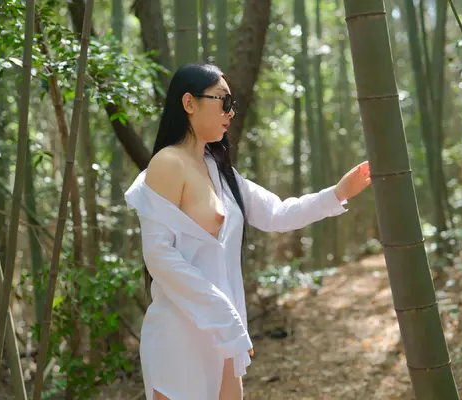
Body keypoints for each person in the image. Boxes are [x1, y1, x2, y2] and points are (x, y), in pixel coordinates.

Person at [124, 63, 371, 400]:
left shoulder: (218, 169)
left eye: (233, 104)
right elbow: (159, 256)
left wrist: (338, 193)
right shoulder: (168, 163)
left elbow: (278, 213)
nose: (230, 112)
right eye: (223, 101)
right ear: (189, 103)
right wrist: (225, 318)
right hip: (180, 335)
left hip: (223, 336)